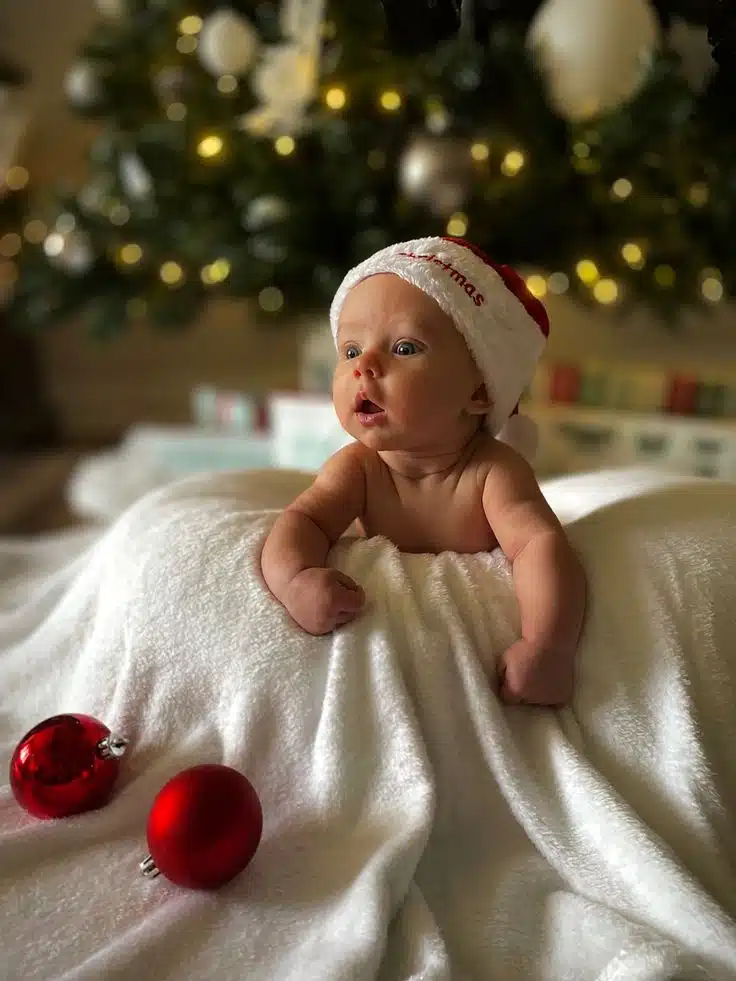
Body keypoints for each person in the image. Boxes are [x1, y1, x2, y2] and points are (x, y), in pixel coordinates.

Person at [260, 236, 587, 707]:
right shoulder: (359, 468)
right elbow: (302, 522)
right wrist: (295, 581)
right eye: (350, 351)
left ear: (480, 392)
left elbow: (540, 546)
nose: (364, 366)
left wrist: (548, 648)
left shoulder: (493, 472)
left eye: (405, 347)